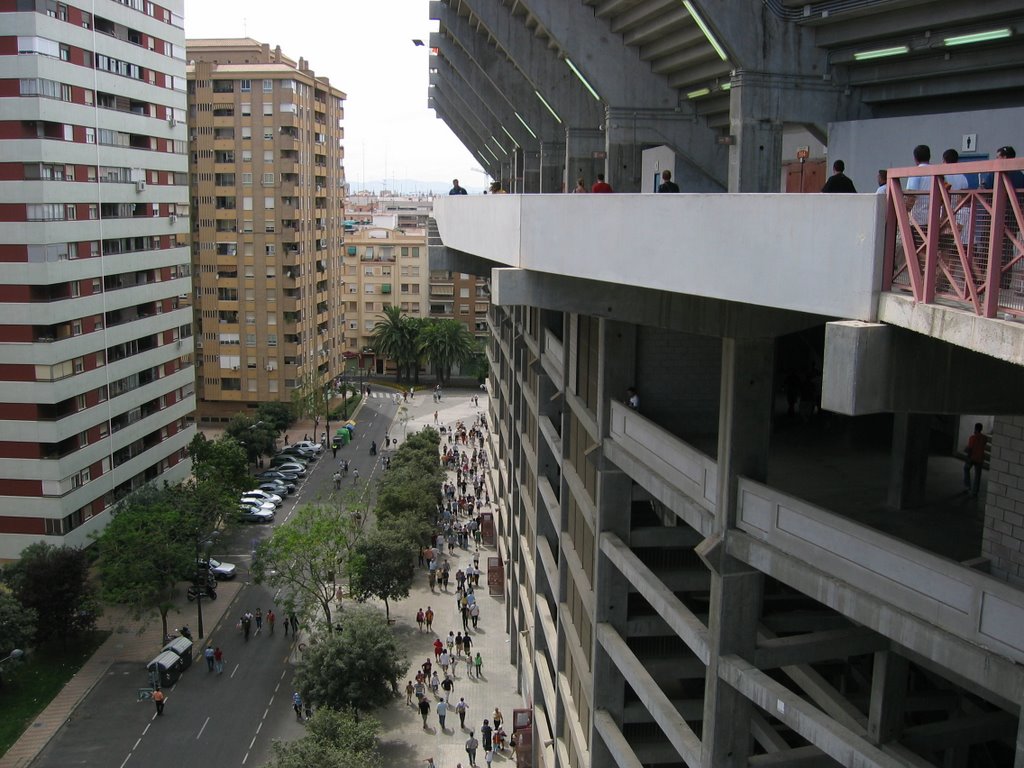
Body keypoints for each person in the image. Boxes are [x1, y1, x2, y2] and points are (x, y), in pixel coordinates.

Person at [964, 422, 988, 497]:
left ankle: (968, 486)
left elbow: (970, 449)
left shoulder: (972, 438)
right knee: (978, 476)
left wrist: (967, 457)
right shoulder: (984, 438)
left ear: (975, 429)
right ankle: (975, 492)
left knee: (966, 469)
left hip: (972, 458)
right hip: (980, 459)